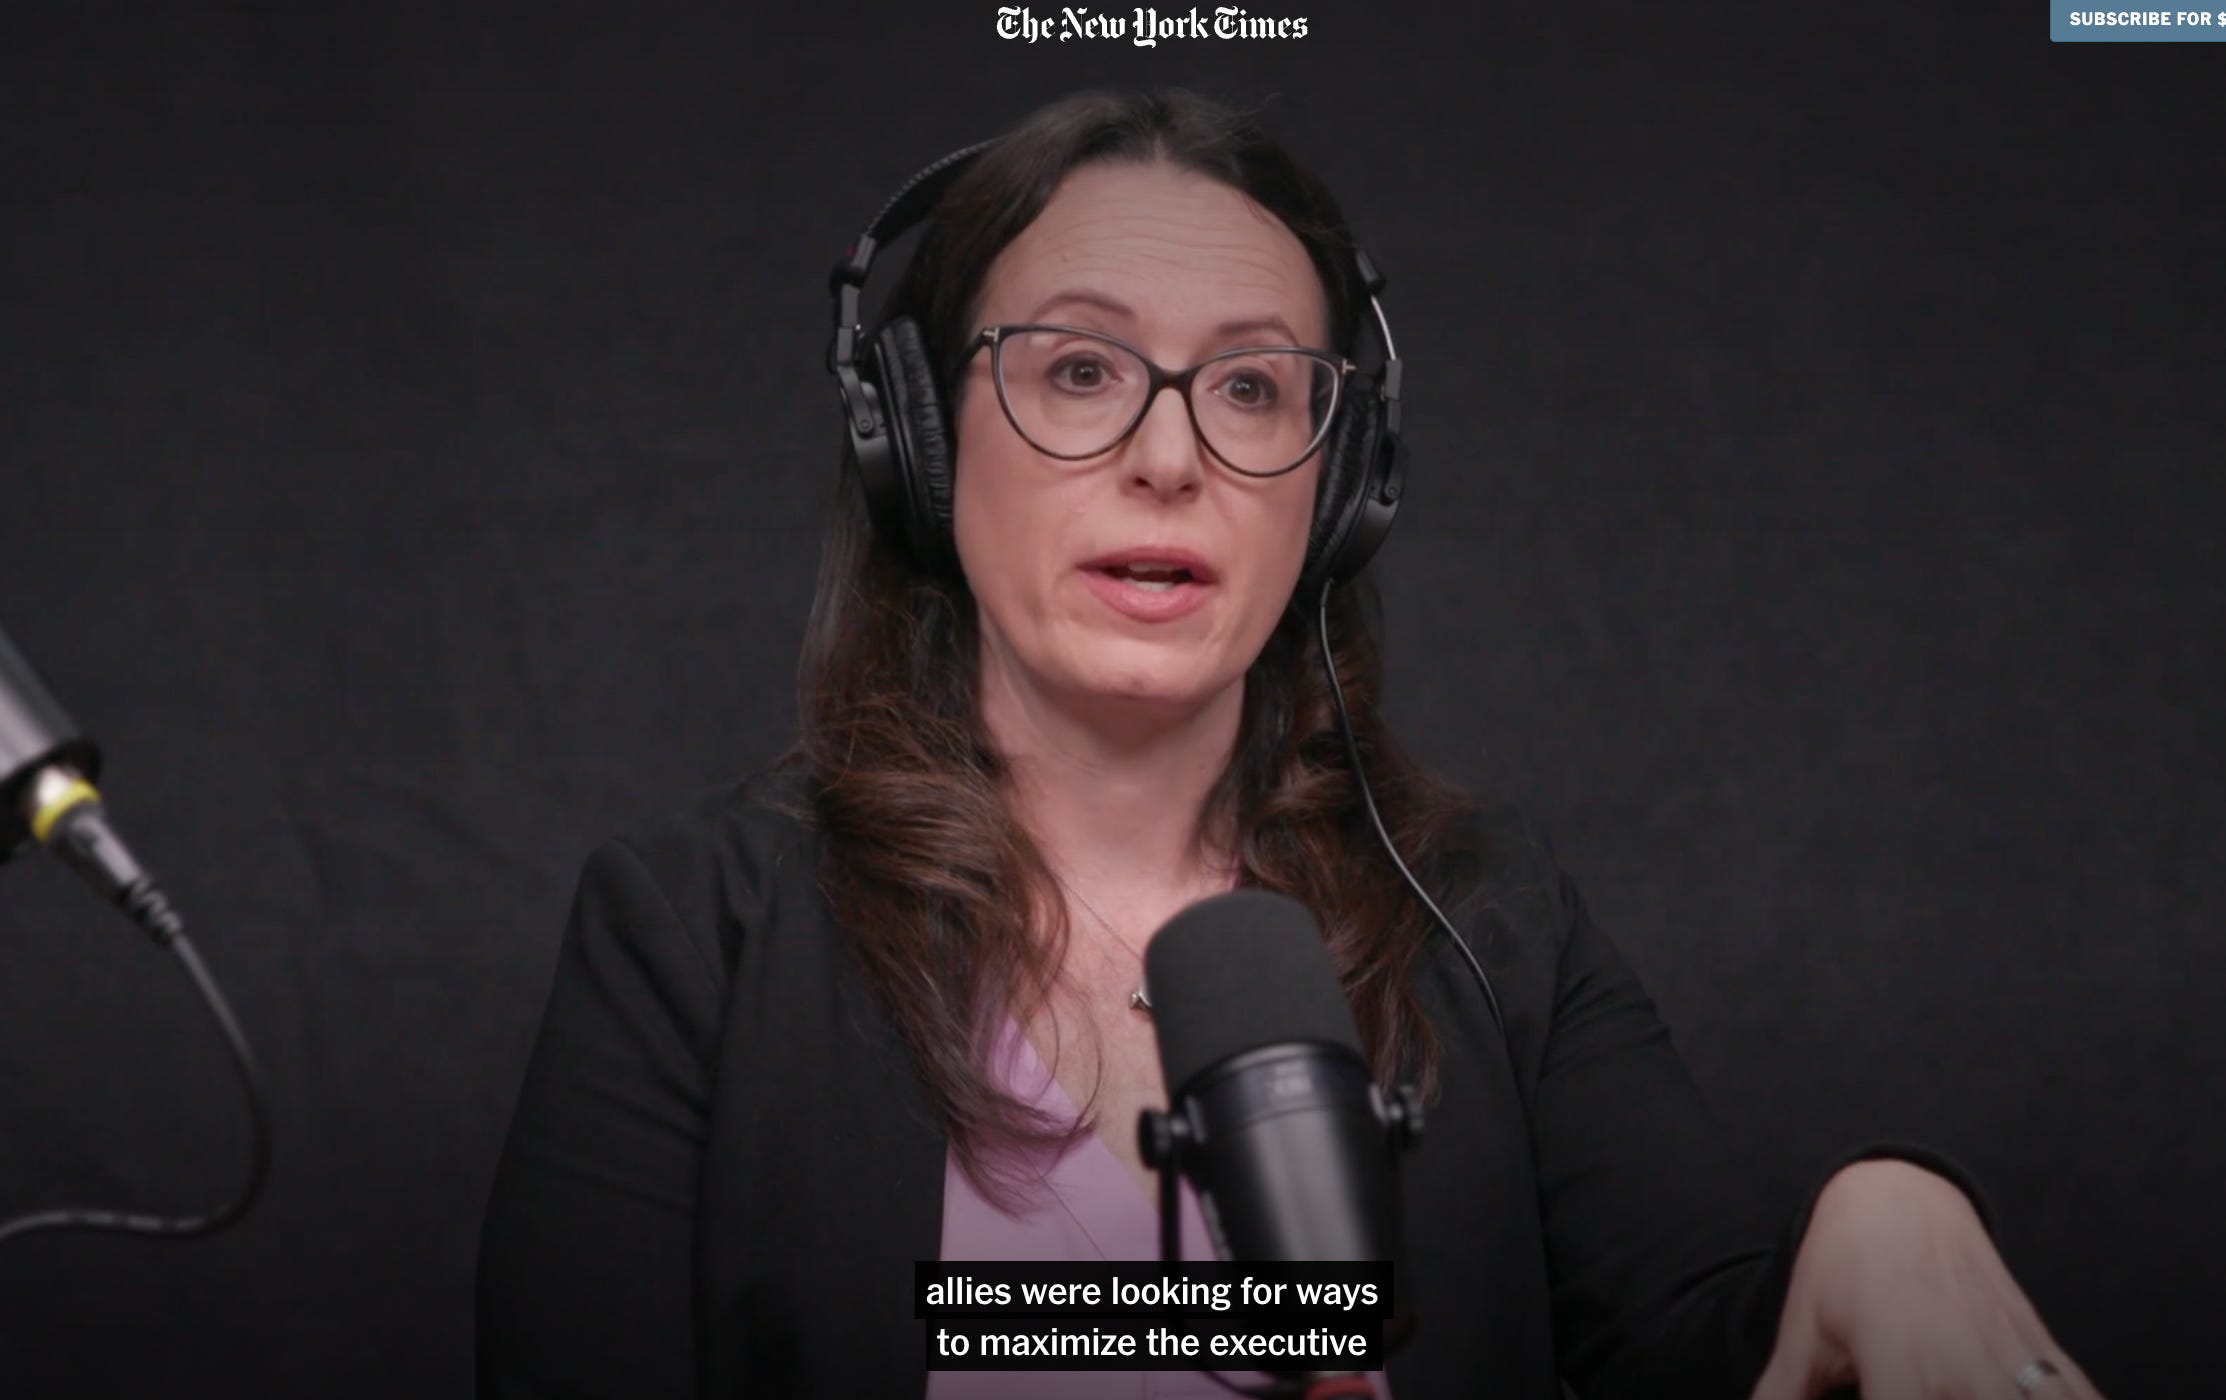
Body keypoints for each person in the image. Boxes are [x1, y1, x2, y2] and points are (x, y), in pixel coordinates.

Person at [475, 88, 2105, 1399]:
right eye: (1079, 369)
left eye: (1252, 389)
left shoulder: (1489, 912)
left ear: (1337, 492)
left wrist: (1884, 1222)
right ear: (915, 440)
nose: (1169, 456)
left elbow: (1714, 1356)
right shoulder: (692, 928)